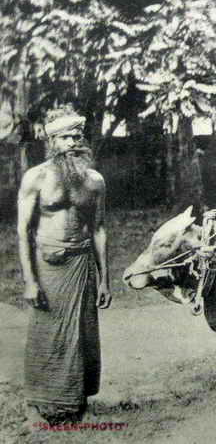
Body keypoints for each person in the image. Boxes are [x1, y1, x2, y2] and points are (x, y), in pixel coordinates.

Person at [17, 105, 110, 427]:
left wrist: (104, 281)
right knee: (47, 332)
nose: (73, 141)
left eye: (77, 136)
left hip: (81, 263)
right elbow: (23, 232)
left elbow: (98, 228)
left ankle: (76, 401)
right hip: (49, 265)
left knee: (82, 334)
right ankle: (41, 403)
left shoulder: (94, 181)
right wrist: (30, 281)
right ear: (52, 140)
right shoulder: (36, 177)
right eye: (65, 137)